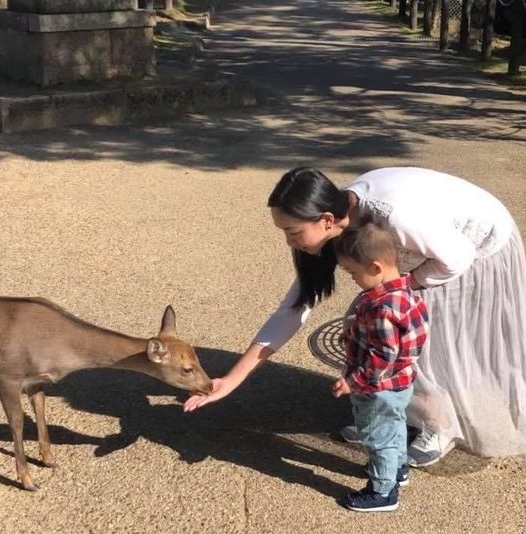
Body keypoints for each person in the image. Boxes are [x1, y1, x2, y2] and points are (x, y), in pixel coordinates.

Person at [184, 166, 526, 467]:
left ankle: (439, 427)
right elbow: (293, 309)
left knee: (405, 335)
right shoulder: (331, 219)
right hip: (427, 249)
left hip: (476, 244)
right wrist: (231, 380)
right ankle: (383, 419)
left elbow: (457, 257)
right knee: (367, 324)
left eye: (293, 232)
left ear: (327, 221)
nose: (289, 241)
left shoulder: (392, 218)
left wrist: (408, 284)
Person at [331, 218, 429, 511]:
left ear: (375, 268)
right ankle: (398, 468)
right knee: (394, 425)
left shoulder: (381, 309)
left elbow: (382, 357)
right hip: (401, 382)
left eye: (352, 272)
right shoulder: (406, 294)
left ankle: (383, 491)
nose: (351, 278)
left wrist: (352, 381)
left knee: (377, 437)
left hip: (378, 387)